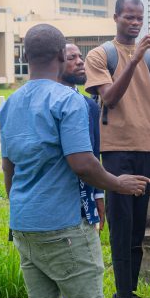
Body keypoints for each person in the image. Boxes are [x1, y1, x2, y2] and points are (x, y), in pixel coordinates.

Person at [0, 23, 149, 298]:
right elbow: (81, 163)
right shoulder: (67, 102)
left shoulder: (9, 104)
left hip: (25, 223)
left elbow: (8, 167)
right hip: (63, 225)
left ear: (24, 57)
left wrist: (17, 210)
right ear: (59, 57)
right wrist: (116, 183)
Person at [85, 0, 150, 298]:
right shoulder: (100, 55)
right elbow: (108, 97)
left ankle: (130, 292)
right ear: (115, 18)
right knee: (121, 223)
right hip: (116, 149)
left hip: (146, 146)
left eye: (139, 18)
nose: (135, 23)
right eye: (128, 17)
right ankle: (122, 297)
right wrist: (136, 58)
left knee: (138, 224)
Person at [61, 42, 105, 231]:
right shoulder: (53, 103)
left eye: (81, 57)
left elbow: (95, 154)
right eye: (71, 58)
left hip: (85, 204)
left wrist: (99, 196)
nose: (80, 62)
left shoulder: (90, 106)